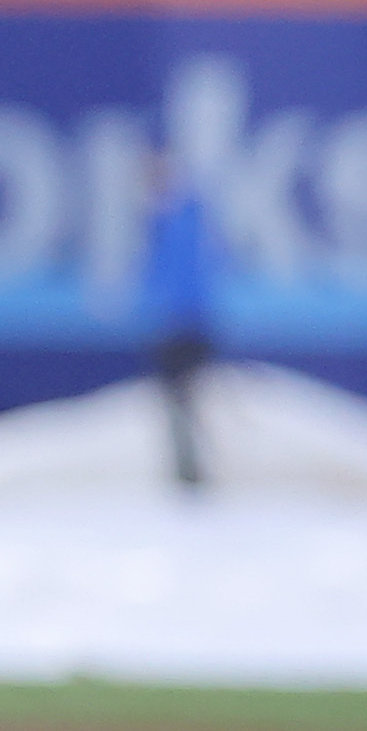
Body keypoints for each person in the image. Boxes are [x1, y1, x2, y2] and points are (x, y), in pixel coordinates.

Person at [136, 143, 219, 493]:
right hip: (175, 323)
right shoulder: (168, 219)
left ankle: (193, 472)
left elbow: (186, 278)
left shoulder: (185, 219)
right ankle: (187, 469)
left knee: (186, 399)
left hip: (187, 324)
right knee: (177, 401)